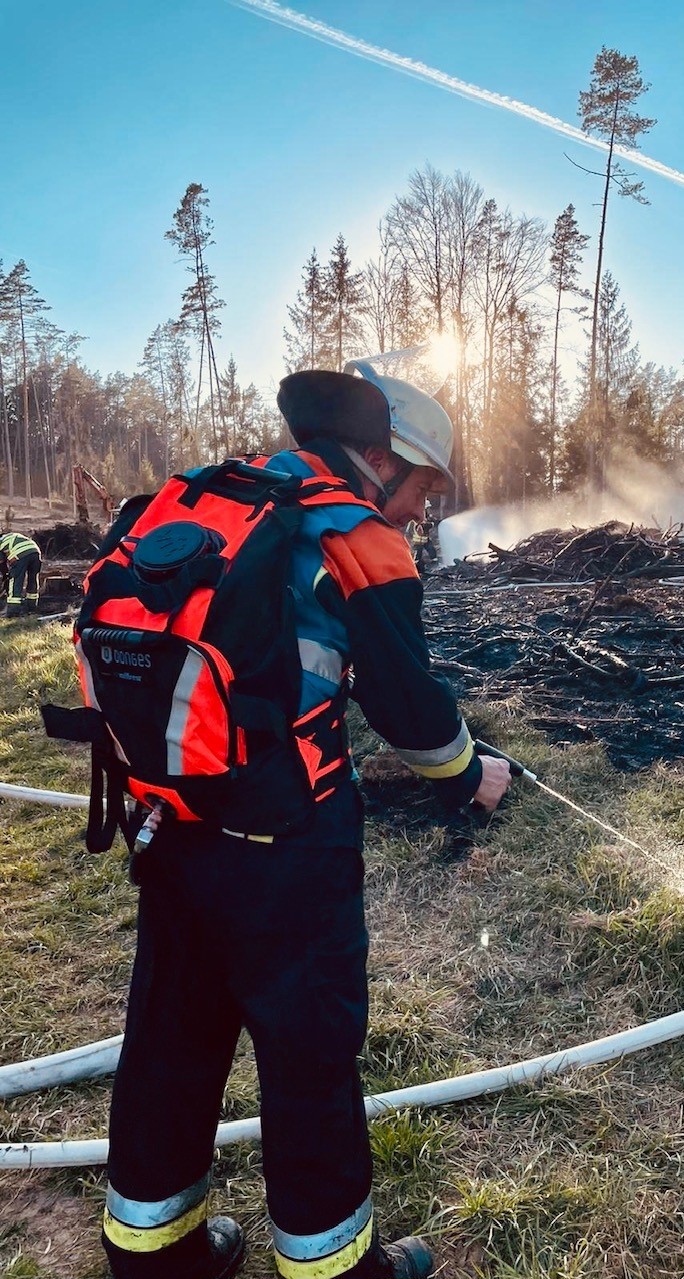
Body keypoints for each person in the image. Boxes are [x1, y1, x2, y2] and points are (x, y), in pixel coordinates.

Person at [101, 366, 511, 1279]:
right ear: (379, 460)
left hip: (172, 825)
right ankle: (334, 1266)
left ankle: (154, 1251)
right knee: (310, 1054)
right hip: (288, 849)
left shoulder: (219, 496)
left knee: (171, 1037)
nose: (423, 510)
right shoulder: (356, 535)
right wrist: (468, 774)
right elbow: (410, 708)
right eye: (423, 485)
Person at [0, 531, 42, 617]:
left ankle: (13, 611)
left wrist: (6, 575)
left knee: (16, 580)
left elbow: (1, 562)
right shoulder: (12, 536)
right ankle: (32, 607)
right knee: (33, 580)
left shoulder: (1, 542)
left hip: (20, 554)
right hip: (35, 552)